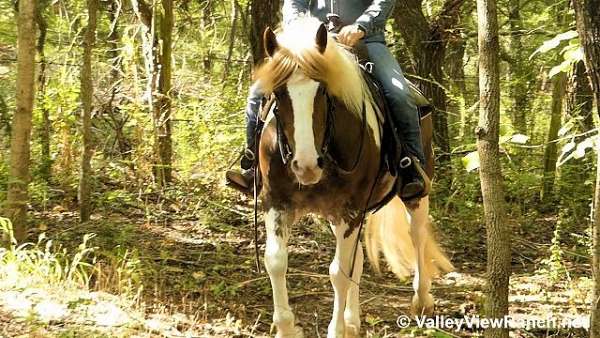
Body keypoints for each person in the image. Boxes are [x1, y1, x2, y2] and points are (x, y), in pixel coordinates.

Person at [226, 0, 428, 201]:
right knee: (256, 93)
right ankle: (252, 167)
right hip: (312, 46)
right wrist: (301, 26)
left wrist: (362, 26)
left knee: (398, 93)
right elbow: (293, 3)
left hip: (367, 41)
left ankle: (410, 167)